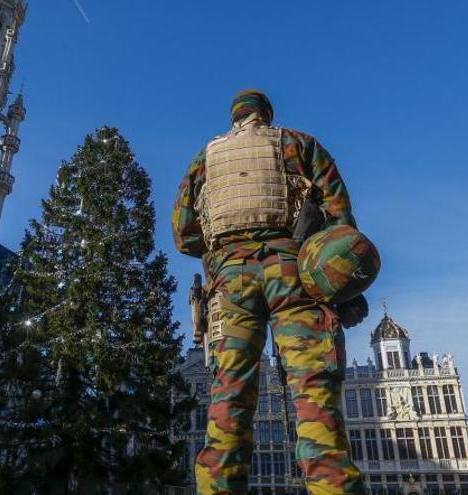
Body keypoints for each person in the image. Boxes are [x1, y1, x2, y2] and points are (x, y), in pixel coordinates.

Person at [172, 89, 368, 494]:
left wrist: (226, 247)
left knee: (228, 405)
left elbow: (183, 235)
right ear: (266, 115)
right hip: (296, 275)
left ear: (235, 118)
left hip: (230, 286)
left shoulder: (204, 159)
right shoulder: (300, 145)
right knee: (315, 401)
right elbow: (341, 223)